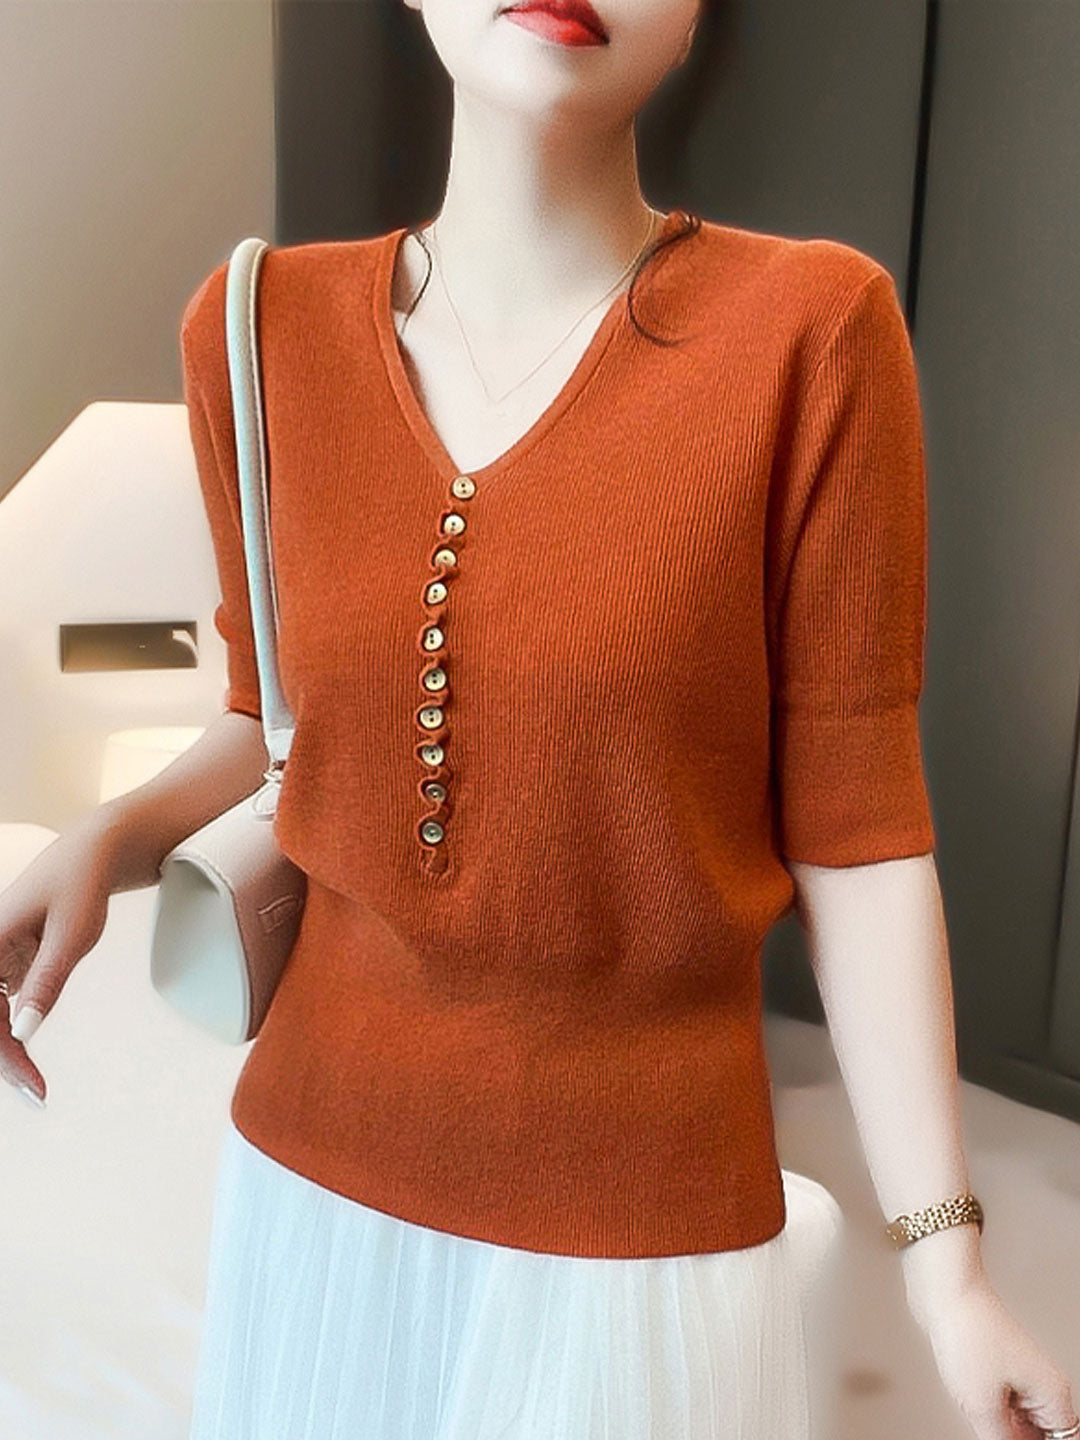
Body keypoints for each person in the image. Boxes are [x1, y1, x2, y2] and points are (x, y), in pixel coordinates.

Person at [1, 0, 1077, 1437]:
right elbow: (275, 720)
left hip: (638, 1235)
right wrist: (108, 835)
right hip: (312, 1186)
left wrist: (948, 1274)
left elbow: (860, 838)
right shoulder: (253, 328)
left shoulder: (810, 331)